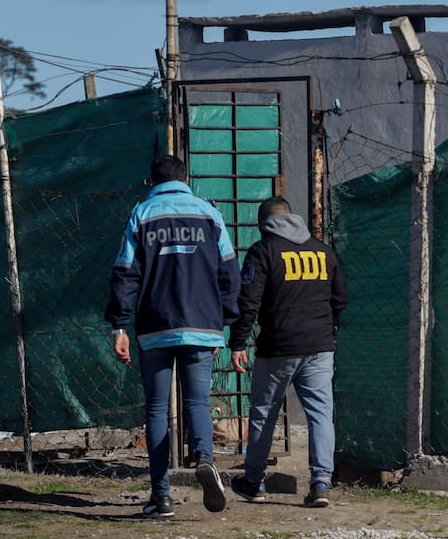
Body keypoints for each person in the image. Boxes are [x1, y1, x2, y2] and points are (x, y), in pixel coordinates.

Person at [106, 154, 240, 518]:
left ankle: (160, 496)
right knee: (197, 402)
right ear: (186, 178)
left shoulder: (142, 214)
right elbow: (229, 271)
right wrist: (223, 320)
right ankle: (205, 458)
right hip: (202, 324)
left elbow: (125, 274)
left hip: (155, 326)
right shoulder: (209, 213)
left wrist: (119, 325)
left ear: (152, 181)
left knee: (156, 409)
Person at [227, 196, 347, 508]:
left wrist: (238, 342)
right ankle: (321, 482)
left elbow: (248, 301)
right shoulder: (323, 252)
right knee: (320, 414)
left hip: (278, 347)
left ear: (263, 223)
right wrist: (327, 327)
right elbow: (340, 298)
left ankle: (254, 481)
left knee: (264, 413)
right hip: (320, 346)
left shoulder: (263, 250)